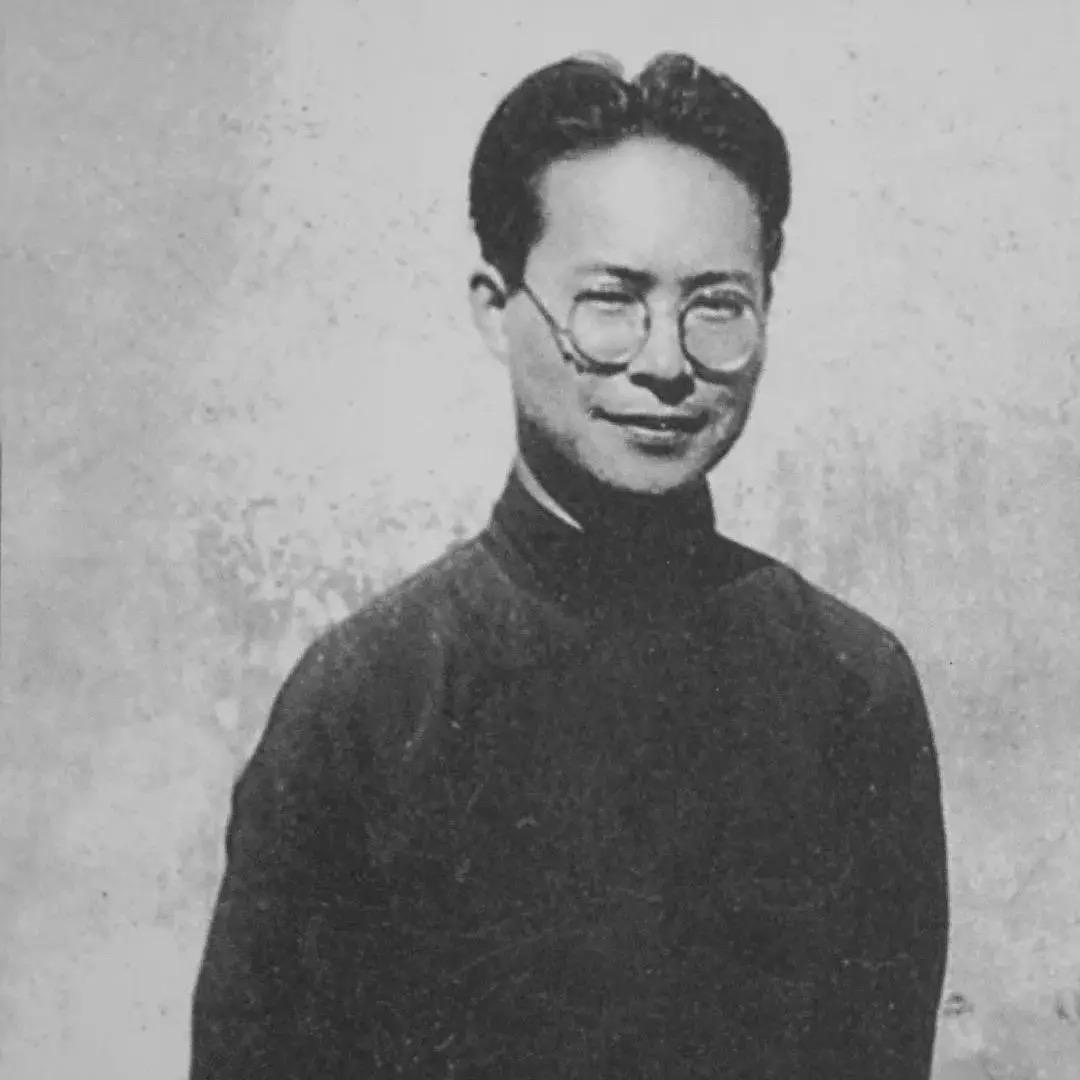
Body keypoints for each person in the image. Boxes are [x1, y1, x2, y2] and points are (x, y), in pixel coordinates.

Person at [189, 52, 949, 1079]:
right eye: (611, 301)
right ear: (494, 307)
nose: (666, 363)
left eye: (717, 304)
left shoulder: (850, 689)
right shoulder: (365, 703)